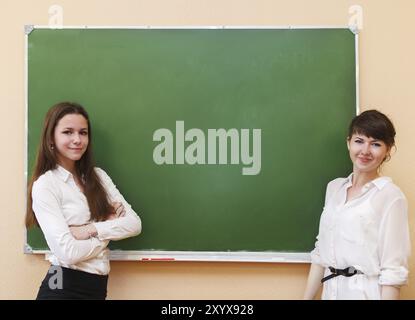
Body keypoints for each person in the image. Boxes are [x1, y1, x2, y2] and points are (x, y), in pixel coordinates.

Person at [26, 102, 142, 300]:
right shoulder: (46, 185)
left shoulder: (99, 177)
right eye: (68, 132)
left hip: (96, 289)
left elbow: (134, 224)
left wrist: (88, 230)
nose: (77, 139)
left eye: (83, 132)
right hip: (61, 287)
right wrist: (105, 232)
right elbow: (68, 253)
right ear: (51, 137)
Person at [303, 109, 410, 300]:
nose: (365, 151)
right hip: (331, 292)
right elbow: (321, 253)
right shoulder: (334, 188)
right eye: (359, 141)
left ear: (388, 150)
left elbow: (393, 271)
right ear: (348, 142)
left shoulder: (390, 196)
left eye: (375, 144)